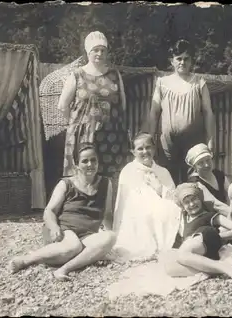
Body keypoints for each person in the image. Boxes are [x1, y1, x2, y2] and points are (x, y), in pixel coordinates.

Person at [9, 143, 116, 280]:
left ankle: (63, 268)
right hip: (64, 229)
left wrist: (109, 239)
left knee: (110, 237)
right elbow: (49, 211)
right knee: (73, 247)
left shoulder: (106, 183)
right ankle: (26, 259)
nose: (90, 164)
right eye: (85, 161)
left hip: (88, 234)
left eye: (93, 160)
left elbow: (107, 214)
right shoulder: (66, 184)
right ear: (77, 165)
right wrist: (54, 227)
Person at [58, 31, 130, 179]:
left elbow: (122, 105)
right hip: (83, 138)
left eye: (103, 50)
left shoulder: (115, 75)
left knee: (109, 179)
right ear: (87, 51)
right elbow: (62, 106)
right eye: (95, 50)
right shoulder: (77, 75)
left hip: (112, 137)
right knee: (83, 178)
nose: (99, 53)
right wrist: (76, 125)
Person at [147, 39, 216, 184]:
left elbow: (208, 112)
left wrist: (211, 140)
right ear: (172, 61)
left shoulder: (199, 82)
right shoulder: (162, 83)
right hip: (167, 142)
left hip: (193, 140)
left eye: (186, 59)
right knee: (167, 177)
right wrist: (150, 138)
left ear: (191, 61)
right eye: (178, 59)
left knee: (193, 179)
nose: (182, 62)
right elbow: (154, 112)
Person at [158, 183, 232, 289]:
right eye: (187, 202)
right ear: (183, 207)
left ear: (200, 199)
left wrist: (220, 237)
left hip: (207, 236)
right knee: (170, 269)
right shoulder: (182, 219)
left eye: (194, 199)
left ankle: (231, 271)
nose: (192, 204)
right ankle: (216, 267)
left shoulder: (209, 215)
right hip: (200, 252)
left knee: (182, 254)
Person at [112, 133, 182, 261]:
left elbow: (175, 199)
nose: (145, 151)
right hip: (136, 213)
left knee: (170, 210)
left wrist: (160, 188)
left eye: (148, 147)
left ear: (154, 149)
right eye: (140, 149)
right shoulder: (128, 171)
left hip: (160, 210)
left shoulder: (163, 171)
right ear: (133, 152)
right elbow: (125, 201)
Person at [186, 143, 231, 215]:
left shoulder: (219, 174)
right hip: (208, 218)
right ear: (194, 167)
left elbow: (231, 196)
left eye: (208, 160)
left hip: (226, 213)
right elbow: (216, 205)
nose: (206, 165)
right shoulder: (195, 182)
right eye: (201, 163)